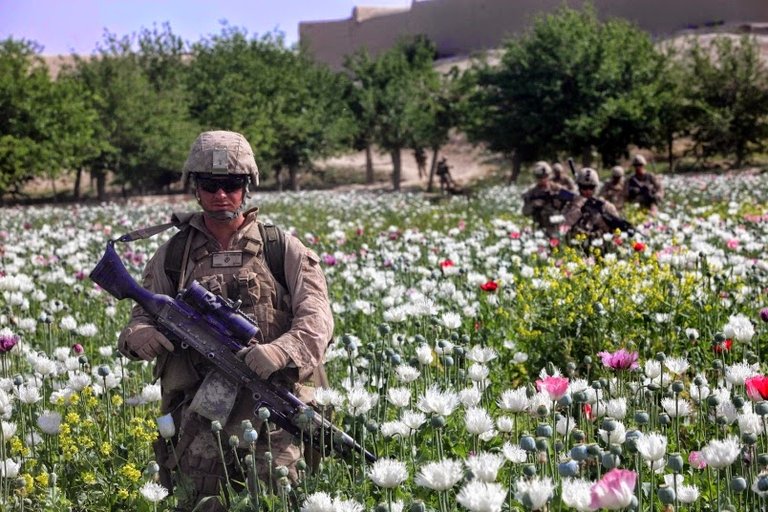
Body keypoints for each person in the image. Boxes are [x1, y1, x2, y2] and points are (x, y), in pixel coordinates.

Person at [117, 131, 334, 511]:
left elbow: (318, 318)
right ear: (195, 188)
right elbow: (141, 314)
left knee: (275, 502)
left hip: (273, 411)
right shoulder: (174, 254)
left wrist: (281, 350)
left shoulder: (281, 249)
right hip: (198, 417)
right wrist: (139, 335)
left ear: (247, 187)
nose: (221, 195)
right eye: (210, 184)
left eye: (232, 184)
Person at [563, 167, 625, 247]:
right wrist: (578, 206)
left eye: (591, 187)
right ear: (579, 187)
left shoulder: (606, 206)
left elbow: (617, 231)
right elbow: (564, 226)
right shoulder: (572, 204)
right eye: (584, 187)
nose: (587, 191)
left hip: (600, 247)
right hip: (575, 247)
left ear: (596, 187)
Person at [521, 161, 573, 237]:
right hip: (539, 227)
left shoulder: (556, 188)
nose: (543, 180)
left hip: (556, 226)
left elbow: (572, 198)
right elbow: (525, 212)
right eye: (540, 177)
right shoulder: (531, 192)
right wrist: (533, 204)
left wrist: (559, 202)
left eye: (545, 176)